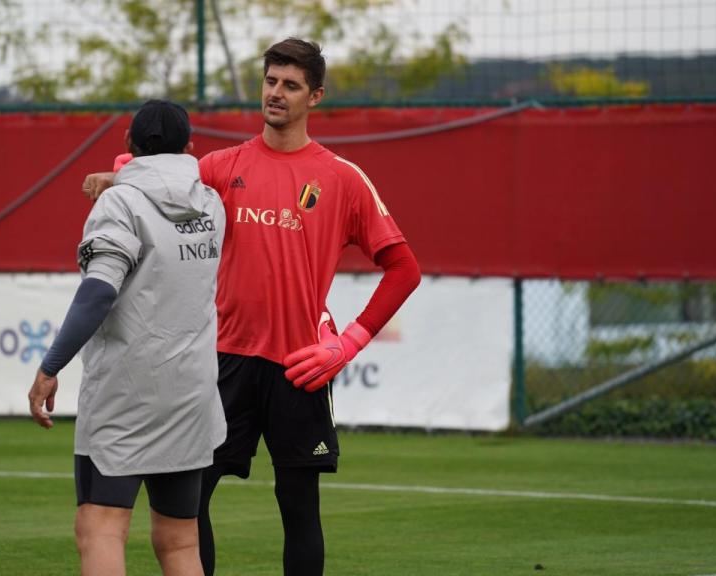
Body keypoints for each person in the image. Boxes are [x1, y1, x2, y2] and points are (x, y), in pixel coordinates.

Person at [82, 39, 422, 576]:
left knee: (299, 509)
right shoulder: (223, 166)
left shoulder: (342, 177)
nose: (276, 93)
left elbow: (405, 269)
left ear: (316, 96)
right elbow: (162, 176)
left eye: (290, 85)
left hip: (301, 365)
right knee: (190, 506)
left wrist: (347, 342)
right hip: (221, 361)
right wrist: (117, 173)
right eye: (270, 81)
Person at [29, 99, 227, 576]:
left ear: (126, 146)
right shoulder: (211, 202)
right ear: (190, 147)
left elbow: (98, 293)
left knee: (100, 528)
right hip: (192, 392)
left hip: (127, 394)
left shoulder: (118, 202)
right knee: (181, 543)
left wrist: (50, 366)